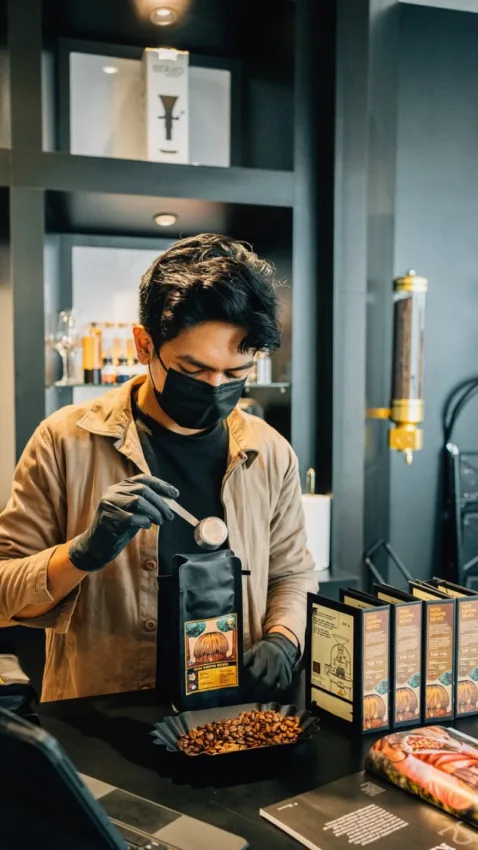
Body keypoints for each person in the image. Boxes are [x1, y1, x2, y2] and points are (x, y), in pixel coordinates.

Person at [0, 234, 317, 702]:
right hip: (103, 717)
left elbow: (292, 573)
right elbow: (5, 592)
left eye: (235, 374)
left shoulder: (269, 452)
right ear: (144, 344)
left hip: (232, 713)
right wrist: (83, 553)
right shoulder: (64, 440)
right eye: (193, 370)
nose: (215, 388)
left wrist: (284, 640)